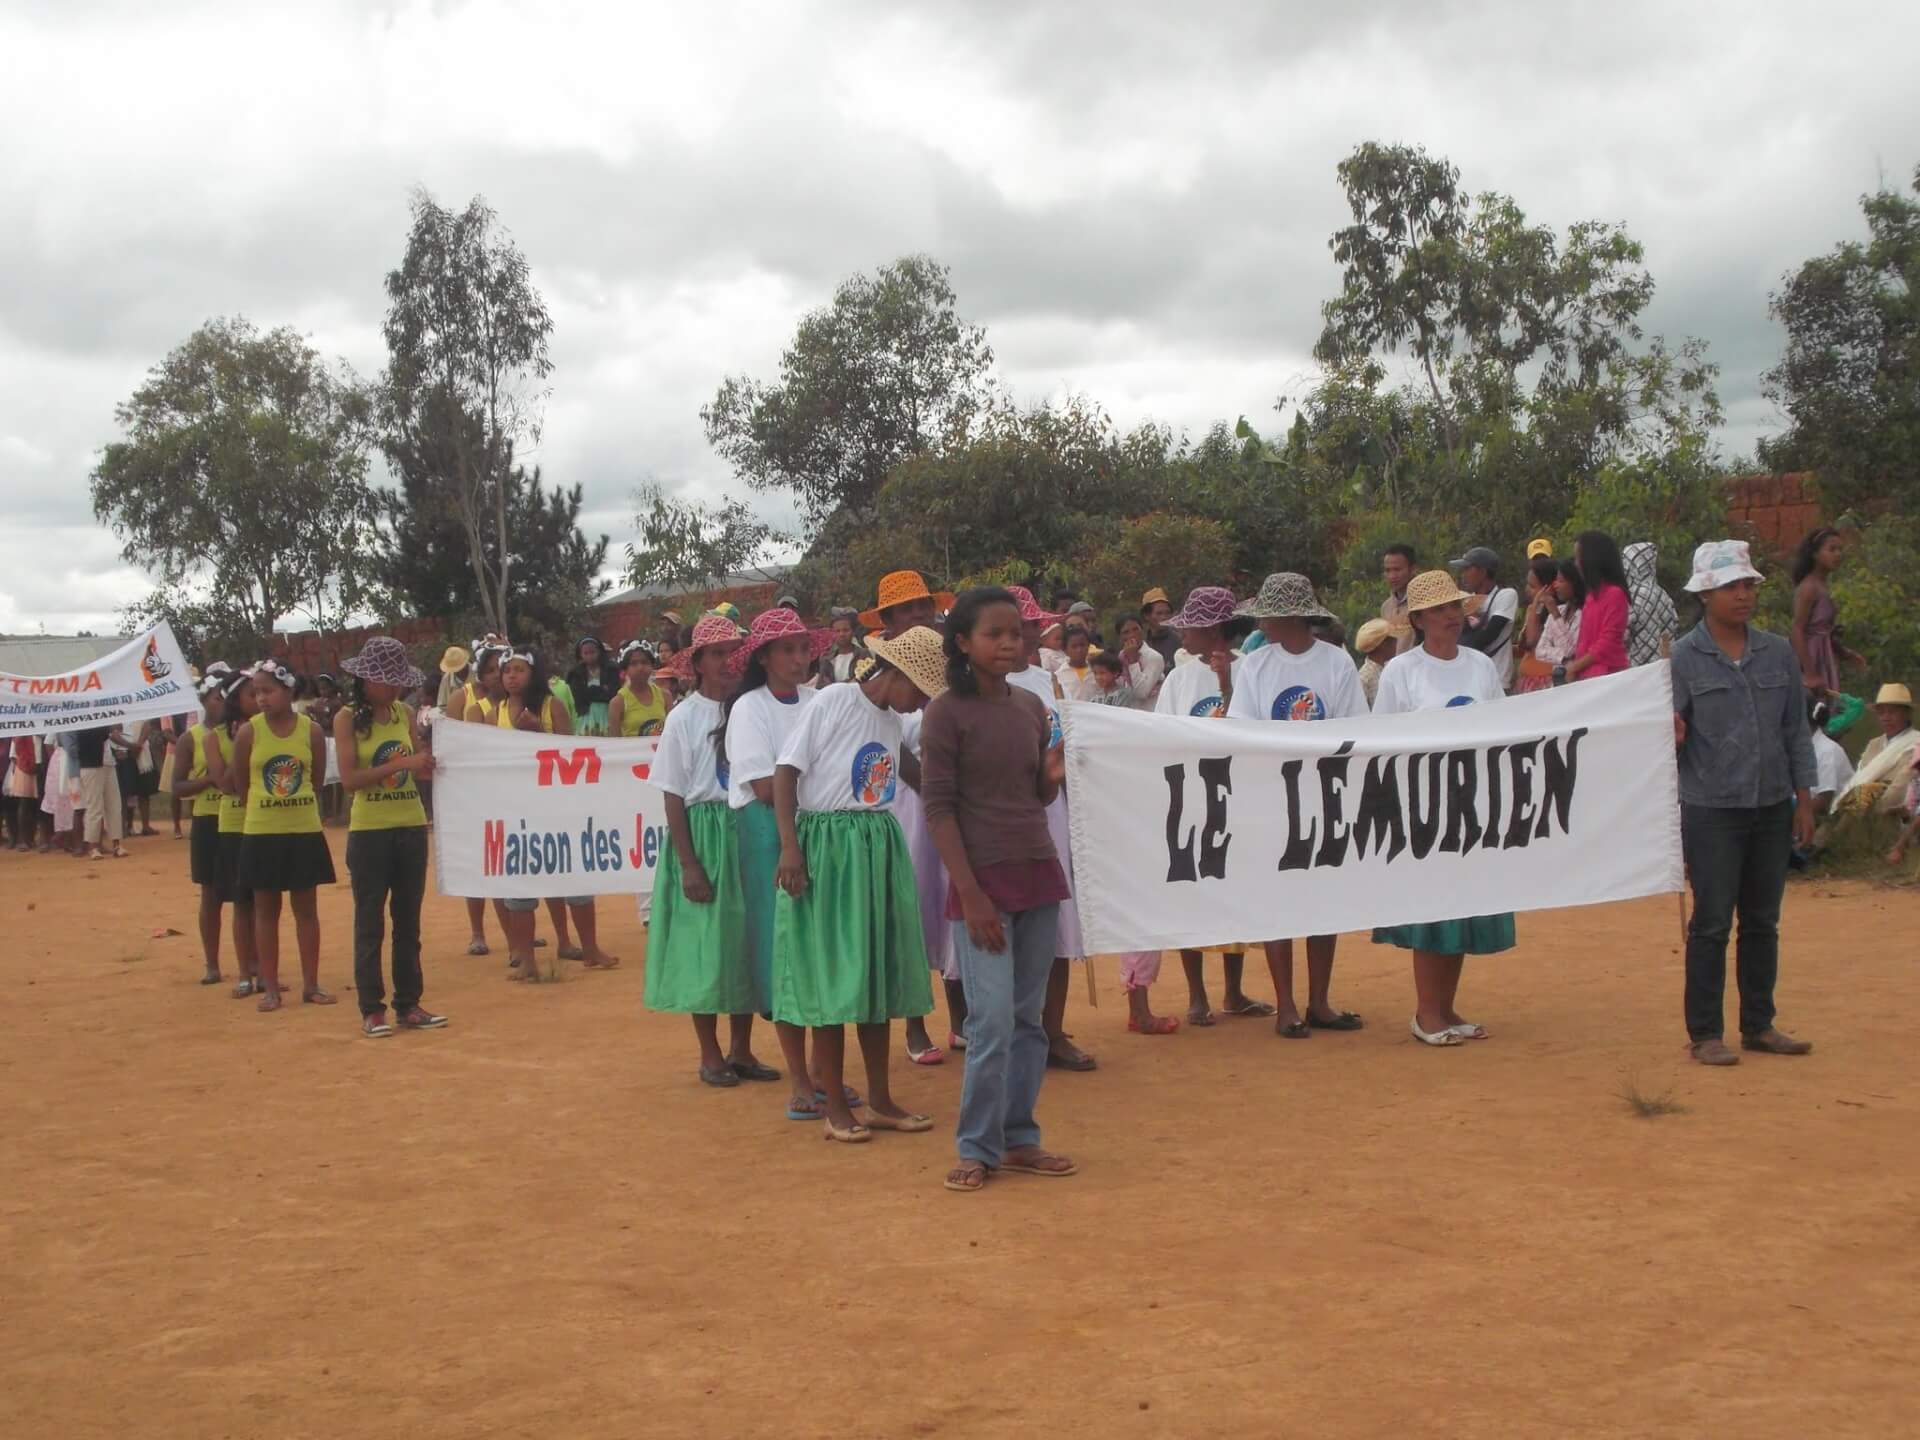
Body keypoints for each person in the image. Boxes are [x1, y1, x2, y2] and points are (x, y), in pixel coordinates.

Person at [923, 591, 1079, 1190]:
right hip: (981, 881)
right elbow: (939, 809)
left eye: (1016, 633)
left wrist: (1051, 776)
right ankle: (976, 1147)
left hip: (1037, 870)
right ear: (963, 642)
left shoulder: (1031, 707)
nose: (1010, 643)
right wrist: (970, 894)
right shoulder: (945, 714)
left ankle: (1019, 1138)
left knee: (1027, 1019)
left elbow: (1034, 794)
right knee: (989, 1022)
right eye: (995, 634)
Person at [771, 626, 947, 1144]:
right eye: (919, 690)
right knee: (833, 978)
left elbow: (913, 775)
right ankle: (834, 1108)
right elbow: (785, 772)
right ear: (897, 673)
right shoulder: (834, 702)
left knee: (875, 977)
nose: (920, 703)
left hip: (876, 845)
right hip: (828, 847)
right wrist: (790, 847)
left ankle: (880, 1101)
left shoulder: (892, 721)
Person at [1670, 540, 1817, 1065]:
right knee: (1711, 922)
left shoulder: (1777, 652)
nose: (1743, 595)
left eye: (1748, 585)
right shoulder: (1682, 658)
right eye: (1730, 586)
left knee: (1761, 921)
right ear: (1704, 595)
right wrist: (1672, 733)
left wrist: (1804, 800)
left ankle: (1759, 1024)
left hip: (1772, 804)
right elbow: (1667, 739)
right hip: (1711, 809)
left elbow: (1795, 731)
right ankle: (1705, 1033)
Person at [1372, 571, 1513, 1046]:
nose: (1450, 616)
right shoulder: (1401, 671)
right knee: (1432, 907)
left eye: (1454, 607)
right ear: (1418, 620)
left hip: (1473, 801)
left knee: (1462, 905)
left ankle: (1447, 1007)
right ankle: (1426, 1013)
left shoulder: (1480, 666)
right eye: (1439, 610)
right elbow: (1382, 740)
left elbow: (1502, 727)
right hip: (1423, 804)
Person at [1229, 573, 1370, 1038]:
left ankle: (1319, 1001)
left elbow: (1356, 727)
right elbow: (1242, 730)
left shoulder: (1336, 661)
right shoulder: (1255, 665)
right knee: (1278, 900)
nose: (1261, 624)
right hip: (1273, 795)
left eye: (1268, 615)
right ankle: (1286, 1005)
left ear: (1291, 617)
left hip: (1326, 793)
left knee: (1323, 899)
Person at [646, 614, 771, 1086]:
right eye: (716, 654)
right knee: (705, 944)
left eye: (733, 653)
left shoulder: (749, 708)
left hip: (747, 829)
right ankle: (709, 1052)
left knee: (745, 941)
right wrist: (689, 864)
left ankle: (742, 1048)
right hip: (704, 833)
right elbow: (673, 794)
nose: (726, 662)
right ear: (697, 663)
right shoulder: (684, 717)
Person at [720, 608, 829, 1105]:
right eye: (787, 649)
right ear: (763, 657)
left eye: (803, 648)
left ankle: (822, 1070)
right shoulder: (749, 708)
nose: (799, 658)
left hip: (817, 829)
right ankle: (800, 1080)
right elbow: (765, 787)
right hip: (769, 833)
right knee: (783, 947)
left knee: (819, 946)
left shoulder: (819, 701)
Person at [1153, 586, 1273, 1026]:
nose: (1183, 634)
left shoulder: (1251, 670)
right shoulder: (1179, 678)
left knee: (1233, 894)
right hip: (1189, 794)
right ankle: (1196, 994)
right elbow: (1160, 734)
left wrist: (1226, 686)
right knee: (1190, 891)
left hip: (1238, 795)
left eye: (1191, 626)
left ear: (1214, 629)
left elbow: (1252, 731)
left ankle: (1233, 991)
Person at [858, 572, 958, 1068]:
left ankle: (963, 1019)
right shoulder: (868, 675)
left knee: (954, 904)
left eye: (925, 606)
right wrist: (932, 787)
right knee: (913, 907)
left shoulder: (951, 666)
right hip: (905, 804)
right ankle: (915, 1025)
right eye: (908, 609)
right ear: (887, 620)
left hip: (952, 802)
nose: (920, 615)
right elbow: (886, 746)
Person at [335, 638, 445, 1038]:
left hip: (410, 825)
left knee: (407, 922)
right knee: (369, 922)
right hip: (370, 831)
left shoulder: (406, 712)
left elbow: (418, 768)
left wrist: (429, 763)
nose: (395, 687)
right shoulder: (347, 718)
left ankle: (408, 1003)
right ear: (366, 680)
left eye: (398, 680)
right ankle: (371, 1008)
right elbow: (350, 780)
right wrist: (404, 763)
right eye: (387, 680)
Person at [492, 649, 620, 976]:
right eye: (507, 670)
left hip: (558, 807)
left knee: (576, 880)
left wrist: (538, 733)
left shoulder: (553, 706)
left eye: (519, 669)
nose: (511, 676)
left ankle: (590, 948)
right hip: (517, 809)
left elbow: (571, 754)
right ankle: (527, 960)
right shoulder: (497, 713)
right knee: (519, 886)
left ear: (533, 673)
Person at [231, 661, 336, 1012]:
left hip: (303, 831)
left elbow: (317, 781)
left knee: (306, 910)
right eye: (256, 692)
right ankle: (271, 989)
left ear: (289, 690)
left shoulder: (312, 731)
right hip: (262, 832)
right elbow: (240, 785)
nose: (261, 698)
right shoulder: (249, 733)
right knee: (265, 911)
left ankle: (311, 985)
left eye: (268, 691)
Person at [172, 675, 231, 984]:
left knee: (249, 895)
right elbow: (178, 786)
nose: (223, 704)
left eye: (227, 697)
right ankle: (212, 963)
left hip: (239, 819)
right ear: (204, 700)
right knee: (210, 895)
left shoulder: (241, 733)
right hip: (208, 819)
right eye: (217, 697)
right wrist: (209, 779)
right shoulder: (190, 739)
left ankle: (254, 963)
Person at [453, 644, 506, 955]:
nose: (498, 675)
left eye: (502, 669)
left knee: (509, 865)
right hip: (477, 793)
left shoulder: (521, 704)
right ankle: (477, 932)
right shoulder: (469, 704)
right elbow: (455, 744)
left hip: (509, 795)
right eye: (491, 670)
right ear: (481, 675)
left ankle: (518, 931)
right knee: (479, 863)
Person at [1790, 527, 1865, 697]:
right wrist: (1810, 673)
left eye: (1840, 549)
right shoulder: (1809, 587)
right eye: (1832, 549)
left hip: (1824, 656)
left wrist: (1846, 653)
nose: (1838, 554)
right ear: (1815, 554)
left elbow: (1824, 630)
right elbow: (1797, 630)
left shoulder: (1822, 586)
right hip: (1812, 657)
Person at [1841, 683, 1918, 817]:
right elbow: (1859, 777)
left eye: (1892, 712)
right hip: (1857, 811)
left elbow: (1901, 788)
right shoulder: (1874, 744)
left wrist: (1872, 810)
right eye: (1881, 712)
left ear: (1906, 713)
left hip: (1895, 816)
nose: (1886, 717)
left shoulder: (1916, 743)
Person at [1451, 545, 1519, 689]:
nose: (1463, 575)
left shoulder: (1505, 595)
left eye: (1467, 569)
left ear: (1482, 572)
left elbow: (1487, 636)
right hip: (1470, 678)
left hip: (1497, 677)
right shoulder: (1467, 600)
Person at [1565, 530, 1630, 681]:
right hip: (1587, 675)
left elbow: (1608, 641)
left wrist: (1575, 666)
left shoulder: (1615, 594)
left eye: (1579, 558)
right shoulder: (1591, 597)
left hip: (1607, 675)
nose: (1576, 564)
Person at [1518, 557, 1584, 692]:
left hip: (1555, 681)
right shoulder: (1558, 611)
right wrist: (1537, 606)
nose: (1556, 585)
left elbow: (1568, 650)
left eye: (1560, 581)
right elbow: (1540, 650)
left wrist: (1554, 613)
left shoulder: (1581, 613)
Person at [75, 723, 127, 860]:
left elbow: (109, 734)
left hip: (108, 763)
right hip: (90, 765)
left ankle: (117, 844)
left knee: (114, 805)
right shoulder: (82, 720)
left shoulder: (102, 719)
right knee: (94, 807)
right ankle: (93, 847)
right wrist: (109, 727)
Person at [1623, 542, 1678, 668]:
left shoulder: (1633, 594)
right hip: (1664, 663)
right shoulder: (1662, 593)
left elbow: (1624, 633)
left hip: (1637, 668)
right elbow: (1674, 624)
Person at [607, 640, 671, 737]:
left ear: (652, 666)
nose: (640, 668)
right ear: (625, 669)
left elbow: (672, 733)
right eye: (633, 664)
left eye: (644, 662)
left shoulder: (665, 696)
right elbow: (614, 741)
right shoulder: (618, 703)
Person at [566, 637, 621, 736]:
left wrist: (589, 691)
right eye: (586, 653)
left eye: (592, 652)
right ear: (580, 654)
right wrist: (602, 689)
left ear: (599, 652)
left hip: (608, 714)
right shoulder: (575, 673)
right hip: (585, 715)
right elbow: (579, 695)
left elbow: (614, 692)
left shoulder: (611, 669)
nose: (589, 656)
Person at [1111, 615, 1165, 705]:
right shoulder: (1121, 656)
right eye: (1126, 632)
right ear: (1120, 637)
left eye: (1136, 629)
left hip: (1149, 710)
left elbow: (1141, 693)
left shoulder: (1154, 657)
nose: (1132, 635)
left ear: (1142, 631)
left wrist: (1133, 660)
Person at [1381, 543, 1418, 655]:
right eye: (1388, 570)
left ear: (1413, 569)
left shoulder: (1424, 602)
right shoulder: (1386, 607)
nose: (1392, 576)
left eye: (1397, 570)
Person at [1352, 618, 1395, 707]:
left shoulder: (1390, 669)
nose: (1396, 643)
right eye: (1393, 640)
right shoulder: (1365, 678)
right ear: (1383, 644)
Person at [1141, 587, 1181, 676]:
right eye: (1159, 613)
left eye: (1167, 613)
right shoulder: (1142, 644)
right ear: (1146, 615)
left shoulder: (1179, 642)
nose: (1164, 617)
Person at [817, 609, 863, 686]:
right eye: (837, 631)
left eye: (846, 630)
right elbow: (820, 685)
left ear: (853, 631)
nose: (842, 634)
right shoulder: (826, 658)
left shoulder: (863, 654)